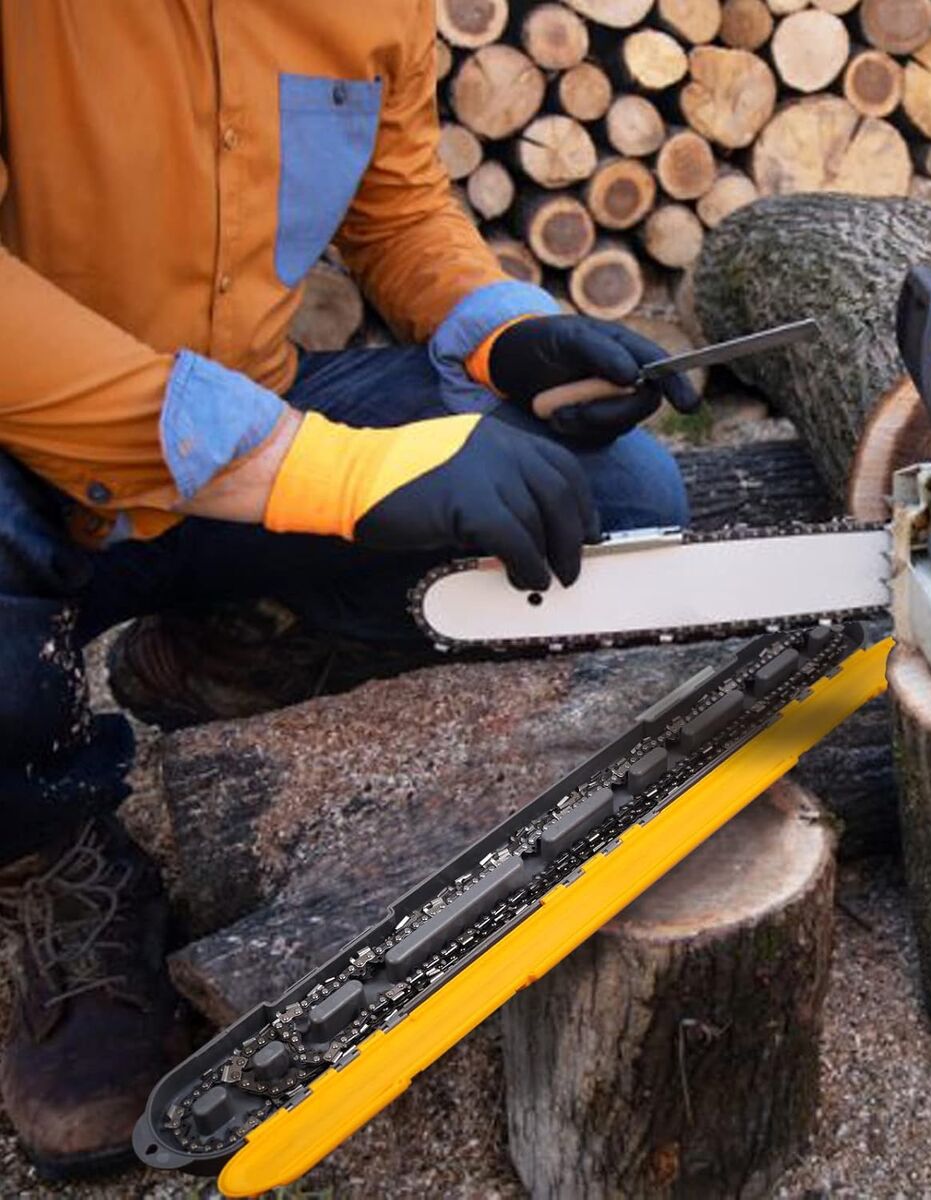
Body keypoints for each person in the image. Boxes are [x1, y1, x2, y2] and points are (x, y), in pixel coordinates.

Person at [0, 1, 698, 1177]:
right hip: (32, 457)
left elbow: (401, 211)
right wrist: (333, 474)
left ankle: (239, 644)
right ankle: (53, 857)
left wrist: (502, 332)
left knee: (619, 496)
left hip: (252, 422)